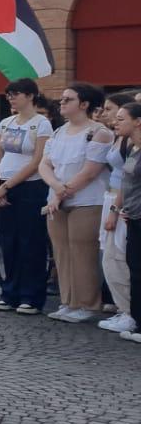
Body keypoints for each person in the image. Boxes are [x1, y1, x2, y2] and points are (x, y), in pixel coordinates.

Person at [39, 81, 113, 323]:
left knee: (83, 251)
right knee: (62, 252)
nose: (62, 102)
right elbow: (45, 164)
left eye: (68, 99)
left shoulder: (99, 132)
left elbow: (90, 171)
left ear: (84, 104)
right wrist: (56, 188)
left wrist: (61, 192)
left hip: (86, 201)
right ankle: (67, 301)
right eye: (62, 99)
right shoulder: (59, 131)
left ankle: (88, 304)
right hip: (57, 200)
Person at [0, 78, 53, 315]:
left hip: (30, 187)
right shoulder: (5, 123)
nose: (11, 98)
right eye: (8, 94)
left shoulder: (41, 123)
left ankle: (31, 295)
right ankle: (9, 291)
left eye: (15, 94)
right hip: (3, 184)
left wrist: (7, 187)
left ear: (30, 96)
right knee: (9, 241)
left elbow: (37, 161)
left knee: (31, 241)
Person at [99, 99, 138, 336]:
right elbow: (126, 179)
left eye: (119, 116)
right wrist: (115, 208)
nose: (113, 120)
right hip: (119, 204)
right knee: (113, 259)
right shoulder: (130, 146)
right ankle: (127, 311)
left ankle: (130, 313)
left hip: (128, 209)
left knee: (123, 261)